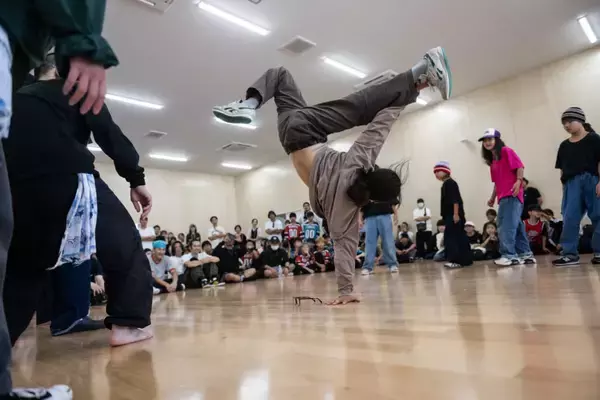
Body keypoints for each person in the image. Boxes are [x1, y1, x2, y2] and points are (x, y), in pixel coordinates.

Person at [213, 46, 452, 304]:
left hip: (307, 130)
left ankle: (423, 69)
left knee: (359, 106)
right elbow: (344, 250)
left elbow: (383, 123)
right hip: (288, 134)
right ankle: (249, 106)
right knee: (281, 76)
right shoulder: (345, 212)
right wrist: (345, 291)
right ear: (374, 199)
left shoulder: (358, 163)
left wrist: (414, 89)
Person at [3, 59, 154, 352]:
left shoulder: (12, 96)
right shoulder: (75, 89)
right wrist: (136, 178)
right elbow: (109, 133)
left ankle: (3, 339)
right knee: (124, 243)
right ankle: (129, 324)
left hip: (15, 188)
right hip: (70, 175)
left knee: (25, 268)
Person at [481, 128, 535, 266]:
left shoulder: (506, 151)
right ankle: (525, 254)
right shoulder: (493, 162)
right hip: (503, 197)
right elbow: (497, 183)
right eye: (485, 140)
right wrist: (492, 197)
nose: (487, 142)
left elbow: (519, 166)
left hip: (512, 194)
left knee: (505, 226)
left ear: (497, 140)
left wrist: (518, 181)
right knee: (516, 226)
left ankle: (509, 255)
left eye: (490, 139)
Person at [553, 107, 600, 266]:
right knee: (569, 217)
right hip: (571, 183)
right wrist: (564, 188)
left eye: (569, 121)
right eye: (564, 123)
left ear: (580, 120)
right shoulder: (564, 146)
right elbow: (562, 169)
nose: (566, 125)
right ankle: (569, 254)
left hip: (592, 180)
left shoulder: (594, 139)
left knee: (598, 215)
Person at [434, 161, 473, 269]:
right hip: (450, 215)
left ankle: (455, 260)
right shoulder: (446, 184)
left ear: (445, 171)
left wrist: (455, 214)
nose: (436, 174)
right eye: (435, 172)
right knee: (459, 236)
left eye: (438, 171)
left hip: (453, 215)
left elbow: (455, 200)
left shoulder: (450, 183)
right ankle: (466, 260)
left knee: (452, 238)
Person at [360, 196, 398, 275]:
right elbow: (362, 203)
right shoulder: (366, 188)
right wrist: (360, 218)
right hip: (370, 216)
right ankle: (367, 267)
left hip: (384, 214)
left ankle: (392, 264)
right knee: (369, 242)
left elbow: (392, 198)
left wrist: (395, 213)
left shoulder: (385, 187)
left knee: (388, 241)